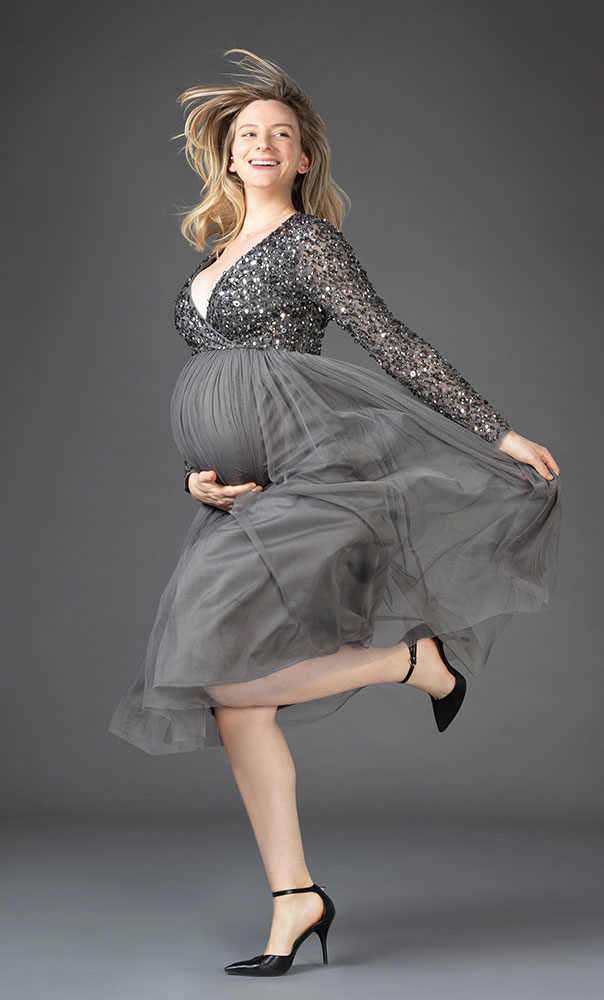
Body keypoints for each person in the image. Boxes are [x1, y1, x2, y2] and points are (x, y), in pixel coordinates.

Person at [108, 49, 562, 976]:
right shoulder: (211, 256)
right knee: (236, 701)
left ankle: (411, 661)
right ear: (226, 155)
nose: (263, 145)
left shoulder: (308, 243)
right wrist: (195, 479)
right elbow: (218, 390)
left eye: (281, 134)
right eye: (249, 135)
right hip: (239, 497)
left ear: (304, 157)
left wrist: (498, 430)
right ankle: (296, 898)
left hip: (317, 479)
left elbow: (390, 342)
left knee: (229, 681)